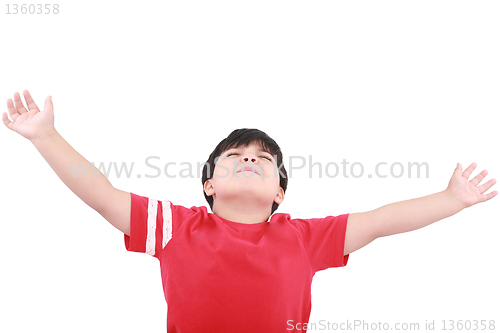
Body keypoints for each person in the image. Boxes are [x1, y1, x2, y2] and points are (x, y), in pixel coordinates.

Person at [3, 90, 497, 332]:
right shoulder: (177, 226)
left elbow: (380, 221)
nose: (249, 160)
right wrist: (45, 136)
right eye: (235, 156)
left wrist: (452, 199)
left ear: (280, 193)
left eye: (264, 160)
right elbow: (101, 194)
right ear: (209, 184)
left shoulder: (303, 237)